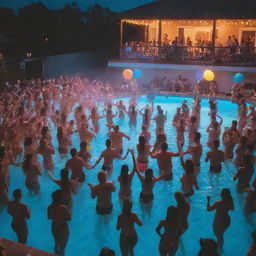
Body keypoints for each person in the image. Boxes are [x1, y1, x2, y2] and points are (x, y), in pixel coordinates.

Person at [48, 189, 71, 256]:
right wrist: (69, 210)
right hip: (62, 229)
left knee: (56, 243)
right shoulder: (64, 208)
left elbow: (49, 217)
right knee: (62, 247)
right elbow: (69, 218)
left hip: (54, 228)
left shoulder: (50, 207)